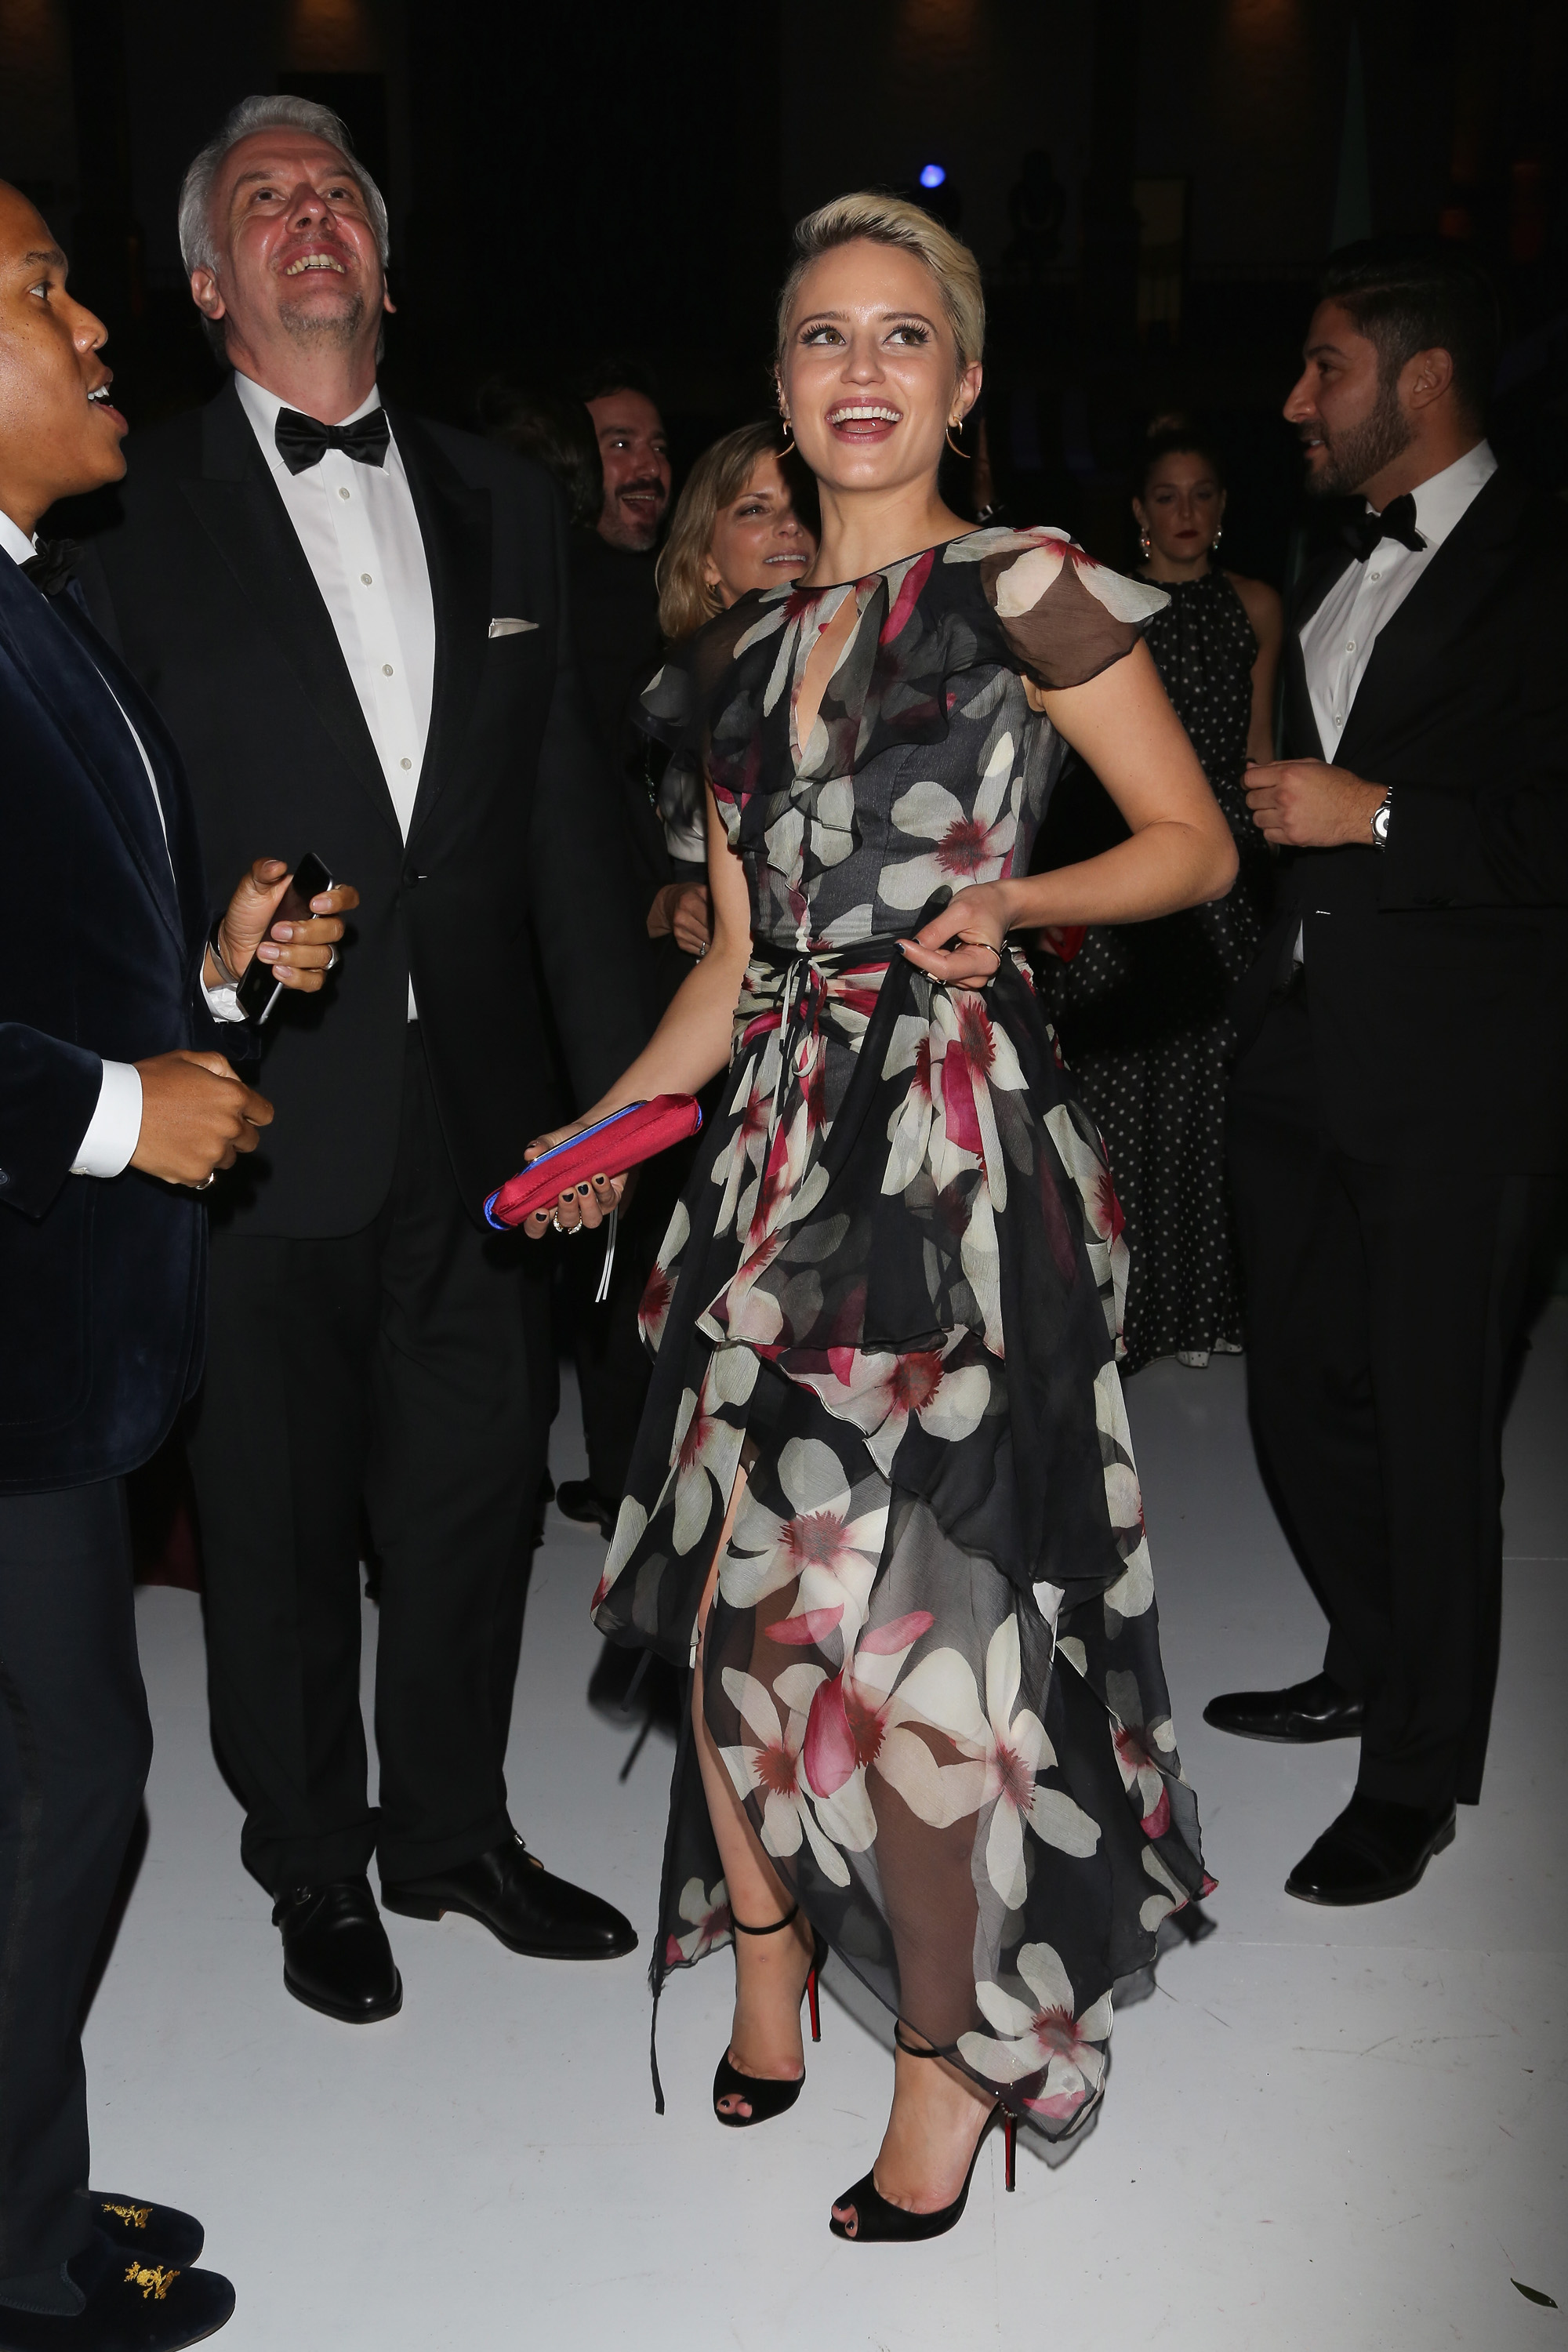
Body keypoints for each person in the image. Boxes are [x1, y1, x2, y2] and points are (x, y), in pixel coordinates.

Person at [524, 193, 1235, 2240]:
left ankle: (942, 2058)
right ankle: (766, 1966)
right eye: (825, 336)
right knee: (734, 1609)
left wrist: (1024, 899)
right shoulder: (734, 661)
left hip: (946, 1160)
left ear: (965, 382)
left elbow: (1191, 843)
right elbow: (735, 964)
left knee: (927, 1636)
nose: (862, 368)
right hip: (767, 1164)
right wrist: (605, 1130)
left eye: (902, 335)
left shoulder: (1022, 588)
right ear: (781, 385)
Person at [78, 96, 652, 2024]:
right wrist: (179, 1010)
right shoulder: (128, 505)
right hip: (255, 1105)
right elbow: (97, 828)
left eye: (337, 194)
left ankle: (453, 1831)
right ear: (207, 283)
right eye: (265, 198)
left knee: (475, 1492)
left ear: (386, 268)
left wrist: (605, 1106)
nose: (309, 215)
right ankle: (314, 1856)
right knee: (271, 1510)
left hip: (481, 1109)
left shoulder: (504, 497)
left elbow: (563, 827)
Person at [0, 180, 354, 2346]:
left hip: (58, 1325)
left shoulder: (32, 601)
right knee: (71, 1783)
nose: (94, 327)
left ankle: (21, 2184)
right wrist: (124, 1116)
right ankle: (18, 2265)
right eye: (40, 291)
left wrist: (209, 990)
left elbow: (52, 957)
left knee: (49, 1779)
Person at [1206, 238, 1568, 1907]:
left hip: (1462, 1081)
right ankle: (1371, 1650)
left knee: (1433, 1438)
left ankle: (1416, 1778)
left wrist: (1381, 817)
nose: (1297, 400)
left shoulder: (1545, 562)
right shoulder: (1331, 559)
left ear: (1422, 380)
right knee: (1299, 1395)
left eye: (1325, 368)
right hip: (1301, 1049)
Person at [1040, 425, 1281, 1370]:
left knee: (1207, 1106)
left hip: (1220, 873)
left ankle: (1200, 1308)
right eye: (1167, 496)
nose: (1186, 512)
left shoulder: (1254, 604)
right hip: (1127, 861)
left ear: (1221, 508)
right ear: (1139, 512)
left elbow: (1257, 748)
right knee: (1112, 1104)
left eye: (1202, 493)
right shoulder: (1103, 603)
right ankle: (1121, 1315)